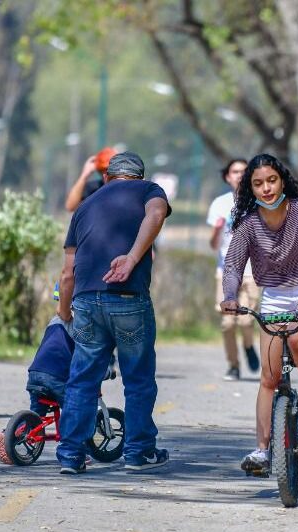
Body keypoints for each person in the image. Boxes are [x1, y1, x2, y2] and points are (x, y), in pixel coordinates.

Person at [219, 154, 298, 475]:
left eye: (271, 180)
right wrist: (229, 296)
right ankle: (261, 451)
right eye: (258, 184)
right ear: (251, 188)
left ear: (282, 180)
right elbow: (232, 265)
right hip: (272, 298)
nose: (267, 188)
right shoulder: (248, 222)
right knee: (269, 378)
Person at [56, 151, 171, 474]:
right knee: (138, 379)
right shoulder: (150, 191)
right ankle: (138, 452)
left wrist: (64, 312)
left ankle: (70, 455)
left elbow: (67, 272)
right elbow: (156, 214)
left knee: (82, 380)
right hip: (128, 298)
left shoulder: (85, 206)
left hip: (86, 301)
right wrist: (133, 258)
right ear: (140, 176)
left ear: (107, 177)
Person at [206, 158, 260, 381]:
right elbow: (213, 245)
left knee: (246, 319)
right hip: (227, 270)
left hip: (253, 270)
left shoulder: (258, 202)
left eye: (243, 171)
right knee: (228, 323)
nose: (239, 175)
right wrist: (217, 230)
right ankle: (233, 365)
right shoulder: (219, 203)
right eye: (235, 171)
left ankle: (248, 346)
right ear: (227, 177)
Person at [27, 315, 74, 414]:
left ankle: (23, 427)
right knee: (74, 411)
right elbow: (86, 361)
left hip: (35, 372)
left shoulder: (54, 321)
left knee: (36, 417)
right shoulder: (80, 326)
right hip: (55, 377)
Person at [63, 147, 116, 213]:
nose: (106, 174)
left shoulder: (125, 187)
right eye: (103, 170)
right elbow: (70, 207)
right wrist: (84, 175)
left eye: (109, 170)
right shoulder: (92, 189)